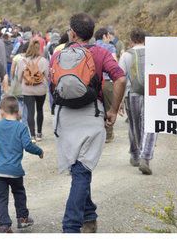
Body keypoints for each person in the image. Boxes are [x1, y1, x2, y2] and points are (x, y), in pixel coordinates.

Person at [50, 13, 125, 233]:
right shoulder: (101, 53)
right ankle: (71, 227)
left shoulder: (58, 55)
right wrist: (112, 109)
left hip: (65, 117)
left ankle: (88, 216)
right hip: (91, 115)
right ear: (92, 33)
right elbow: (120, 78)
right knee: (82, 170)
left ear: (72, 32)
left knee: (79, 170)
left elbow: (52, 86)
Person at [0, 96, 43, 233]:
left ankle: (4, 225)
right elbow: (28, 146)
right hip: (15, 170)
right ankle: (22, 218)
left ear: (1, 111)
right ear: (17, 111)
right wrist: (39, 151)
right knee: (19, 193)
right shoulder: (21, 127)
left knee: (1, 198)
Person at [118, 28, 156, 174]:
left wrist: (120, 101)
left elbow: (121, 79)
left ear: (131, 39)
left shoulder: (126, 55)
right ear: (145, 39)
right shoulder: (153, 53)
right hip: (152, 95)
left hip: (132, 94)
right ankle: (145, 157)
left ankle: (135, 155)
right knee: (150, 125)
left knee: (135, 125)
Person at [16, 40, 50, 142]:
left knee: (30, 111)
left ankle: (32, 136)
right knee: (40, 110)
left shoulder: (22, 61)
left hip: (27, 90)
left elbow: (18, 78)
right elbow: (48, 76)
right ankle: (39, 134)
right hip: (40, 90)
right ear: (38, 49)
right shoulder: (43, 60)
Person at [94, 27, 118, 143]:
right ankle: (108, 135)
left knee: (97, 107)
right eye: (108, 36)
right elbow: (114, 64)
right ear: (104, 36)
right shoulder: (110, 47)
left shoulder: (92, 47)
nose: (110, 38)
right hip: (107, 82)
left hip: (95, 82)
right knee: (109, 107)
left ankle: (98, 133)